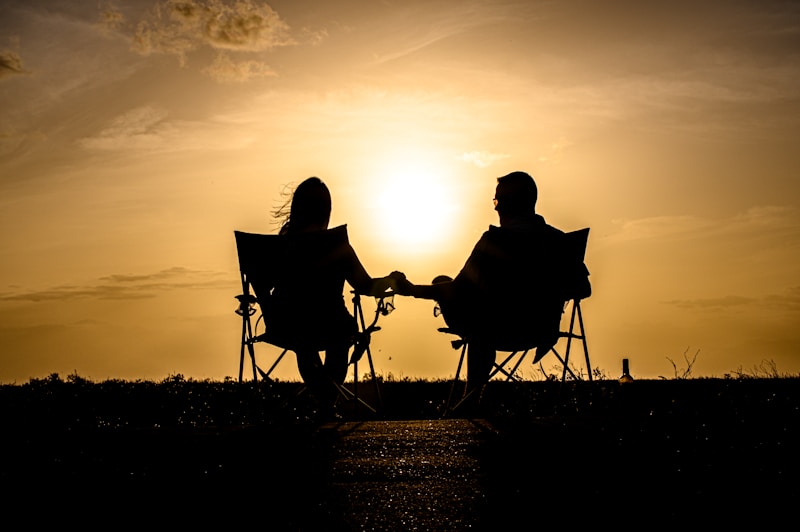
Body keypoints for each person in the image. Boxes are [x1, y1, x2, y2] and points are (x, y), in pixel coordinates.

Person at [393, 171, 590, 411]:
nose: (495, 209)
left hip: (496, 330)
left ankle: (470, 400)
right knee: (482, 318)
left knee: (451, 292)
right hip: (541, 330)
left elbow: (458, 288)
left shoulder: (494, 240)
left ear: (508, 204)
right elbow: (583, 289)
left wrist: (412, 290)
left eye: (497, 201)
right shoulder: (560, 241)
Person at [257, 177, 402, 409]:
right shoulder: (336, 244)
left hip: (288, 325)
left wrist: (271, 312)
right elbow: (365, 286)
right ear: (326, 211)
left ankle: (322, 400)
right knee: (338, 337)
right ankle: (327, 401)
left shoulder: (281, 247)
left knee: (304, 343)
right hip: (332, 324)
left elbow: (261, 284)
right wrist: (391, 281)